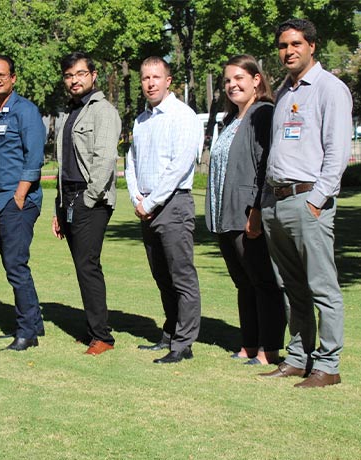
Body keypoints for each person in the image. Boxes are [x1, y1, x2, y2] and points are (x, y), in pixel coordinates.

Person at [259, 19, 352, 388]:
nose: (288, 51)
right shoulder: (284, 92)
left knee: (322, 286)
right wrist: (268, 201)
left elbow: (338, 152)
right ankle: (298, 357)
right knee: (291, 287)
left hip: (308, 201)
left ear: (313, 45)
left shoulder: (331, 89)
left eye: (296, 43)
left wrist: (317, 200)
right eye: (283, 46)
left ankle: (328, 366)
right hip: (277, 203)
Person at [205, 55, 287, 365]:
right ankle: (249, 344)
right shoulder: (229, 120)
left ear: (256, 80)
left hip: (247, 213)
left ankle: (270, 347)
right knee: (243, 282)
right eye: (227, 80)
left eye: (239, 78)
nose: (231, 84)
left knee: (263, 281)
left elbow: (266, 165)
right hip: (224, 214)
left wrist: (256, 210)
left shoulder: (263, 114)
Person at [125, 56, 203, 364]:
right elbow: (131, 161)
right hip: (147, 205)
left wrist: (151, 201)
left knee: (181, 276)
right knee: (162, 276)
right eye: (145, 78)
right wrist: (136, 199)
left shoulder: (183, 116)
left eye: (156, 77)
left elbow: (179, 166)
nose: (150, 83)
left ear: (168, 80)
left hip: (172, 205)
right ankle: (170, 334)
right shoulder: (142, 120)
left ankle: (183, 344)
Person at [51, 52, 121, 355]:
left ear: (93, 75)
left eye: (80, 73)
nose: (74, 80)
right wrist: (59, 206)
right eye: (68, 75)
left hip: (91, 199)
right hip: (69, 197)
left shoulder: (103, 111)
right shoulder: (68, 113)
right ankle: (93, 330)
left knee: (88, 265)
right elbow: (63, 164)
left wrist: (87, 200)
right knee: (82, 267)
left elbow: (105, 159)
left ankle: (103, 337)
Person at [0, 54, 45, 352]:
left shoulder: (26, 111)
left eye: (1, 75)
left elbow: (34, 158)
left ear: (13, 78)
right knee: (12, 264)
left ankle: (26, 332)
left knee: (15, 265)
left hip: (17, 201)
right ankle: (34, 322)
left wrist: (19, 196)